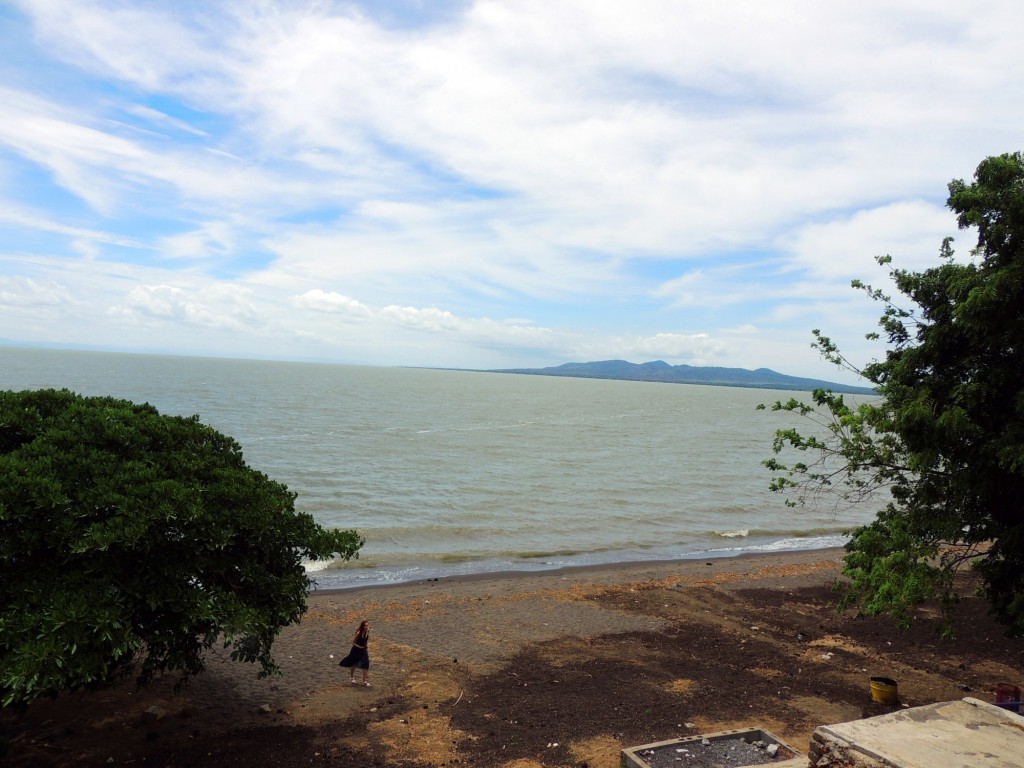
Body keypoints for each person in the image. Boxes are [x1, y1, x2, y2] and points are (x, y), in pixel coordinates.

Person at [338, 620, 371, 686]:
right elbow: (353, 643)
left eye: (367, 625)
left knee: (366, 665)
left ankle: (364, 681)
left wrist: (366, 645)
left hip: (363, 650)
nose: (366, 626)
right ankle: (352, 677)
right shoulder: (359, 633)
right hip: (356, 650)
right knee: (354, 663)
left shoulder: (368, 631)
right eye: (365, 625)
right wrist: (360, 647)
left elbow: (366, 640)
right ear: (362, 626)